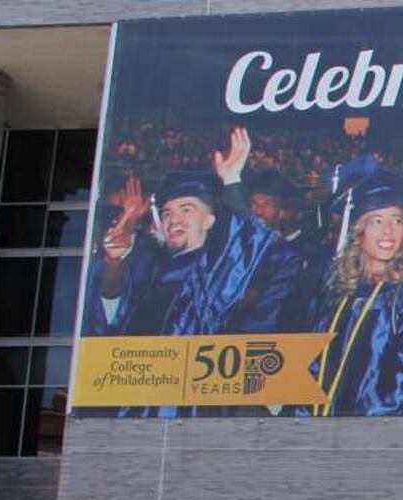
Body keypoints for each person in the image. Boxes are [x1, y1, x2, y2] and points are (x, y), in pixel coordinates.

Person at [86, 127, 307, 343]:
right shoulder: (148, 265)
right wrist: (114, 261)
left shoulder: (215, 271)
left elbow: (247, 241)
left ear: (209, 221)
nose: (174, 219)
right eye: (167, 213)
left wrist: (231, 181)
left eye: (187, 209)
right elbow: (110, 296)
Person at [309, 166, 403, 416]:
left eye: (397, 220)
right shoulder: (339, 288)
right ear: (358, 231)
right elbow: (315, 362)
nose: (388, 231)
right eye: (376, 221)